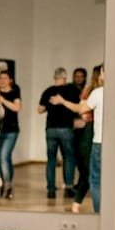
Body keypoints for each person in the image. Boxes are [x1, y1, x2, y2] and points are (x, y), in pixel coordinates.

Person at [38, 67, 81, 199]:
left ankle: (51, 190)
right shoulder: (72, 89)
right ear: (65, 78)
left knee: (51, 159)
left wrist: (50, 105)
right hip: (66, 129)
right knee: (68, 158)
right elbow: (78, 107)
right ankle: (68, 187)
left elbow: (40, 109)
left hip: (50, 129)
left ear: (54, 78)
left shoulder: (48, 91)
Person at [70, 63, 102, 213]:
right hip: (90, 133)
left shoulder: (96, 92)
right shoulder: (92, 91)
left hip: (93, 134)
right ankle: (77, 204)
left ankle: (78, 205)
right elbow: (82, 111)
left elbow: (82, 110)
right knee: (90, 173)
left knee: (91, 174)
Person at [77, 64, 104, 214]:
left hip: (98, 140)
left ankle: (99, 212)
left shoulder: (98, 92)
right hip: (114, 143)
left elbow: (82, 110)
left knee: (95, 179)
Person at [0, 69, 22, 200]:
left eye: (5, 78)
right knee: (0, 159)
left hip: (12, 131)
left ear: (10, 80)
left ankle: (8, 186)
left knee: (4, 157)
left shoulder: (15, 91)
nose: (2, 80)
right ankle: (0, 184)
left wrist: (2, 100)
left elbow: (17, 108)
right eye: (0, 78)